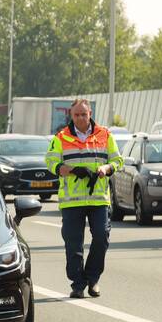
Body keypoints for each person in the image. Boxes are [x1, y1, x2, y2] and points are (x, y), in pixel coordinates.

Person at [45, 99, 123, 298]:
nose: (80, 118)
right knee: (73, 245)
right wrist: (71, 170)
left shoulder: (105, 135)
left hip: (98, 199)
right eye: (76, 115)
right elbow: (51, 162)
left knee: (101, 237)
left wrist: (106, 168)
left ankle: (93, 278)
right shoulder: (60, 137)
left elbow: (117, 160)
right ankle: (78, 284)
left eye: (84, 114)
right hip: (72, 201)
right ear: (71, 116)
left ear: (90, 114)